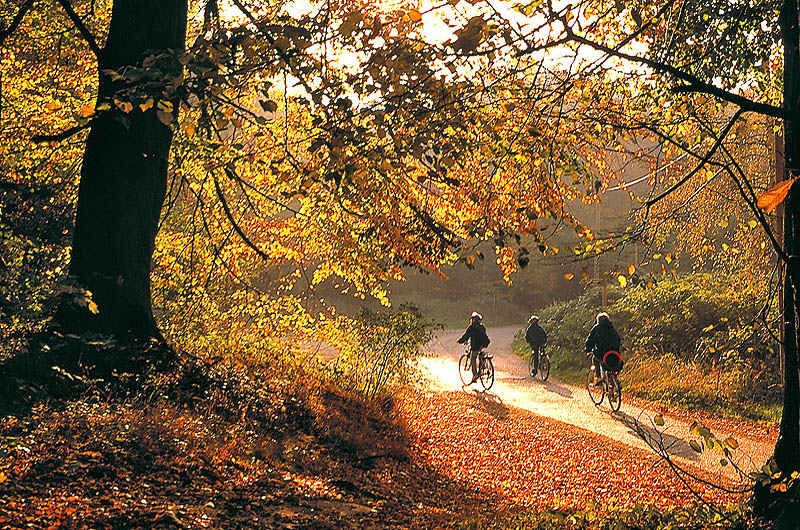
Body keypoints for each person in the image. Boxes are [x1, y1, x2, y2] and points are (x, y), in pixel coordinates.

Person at [584, 312, 621, 383]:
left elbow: (590, 340)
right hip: (615, 352)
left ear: (598, 320)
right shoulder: (612, 328)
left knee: (595, 358)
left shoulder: (597, 328)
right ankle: (615, 379)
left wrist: (588, 350)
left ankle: (598, 377)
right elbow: (618, 339)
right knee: (614, 364)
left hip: (602, 352)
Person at [457, 311, 491, 384]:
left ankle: (475, 376)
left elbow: (466, 336)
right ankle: (482, 367)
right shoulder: (482, 327)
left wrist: (460, 341)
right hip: (482, 344)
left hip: (475, 345)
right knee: (480, 354)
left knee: (473, 359)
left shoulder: (472, 327)